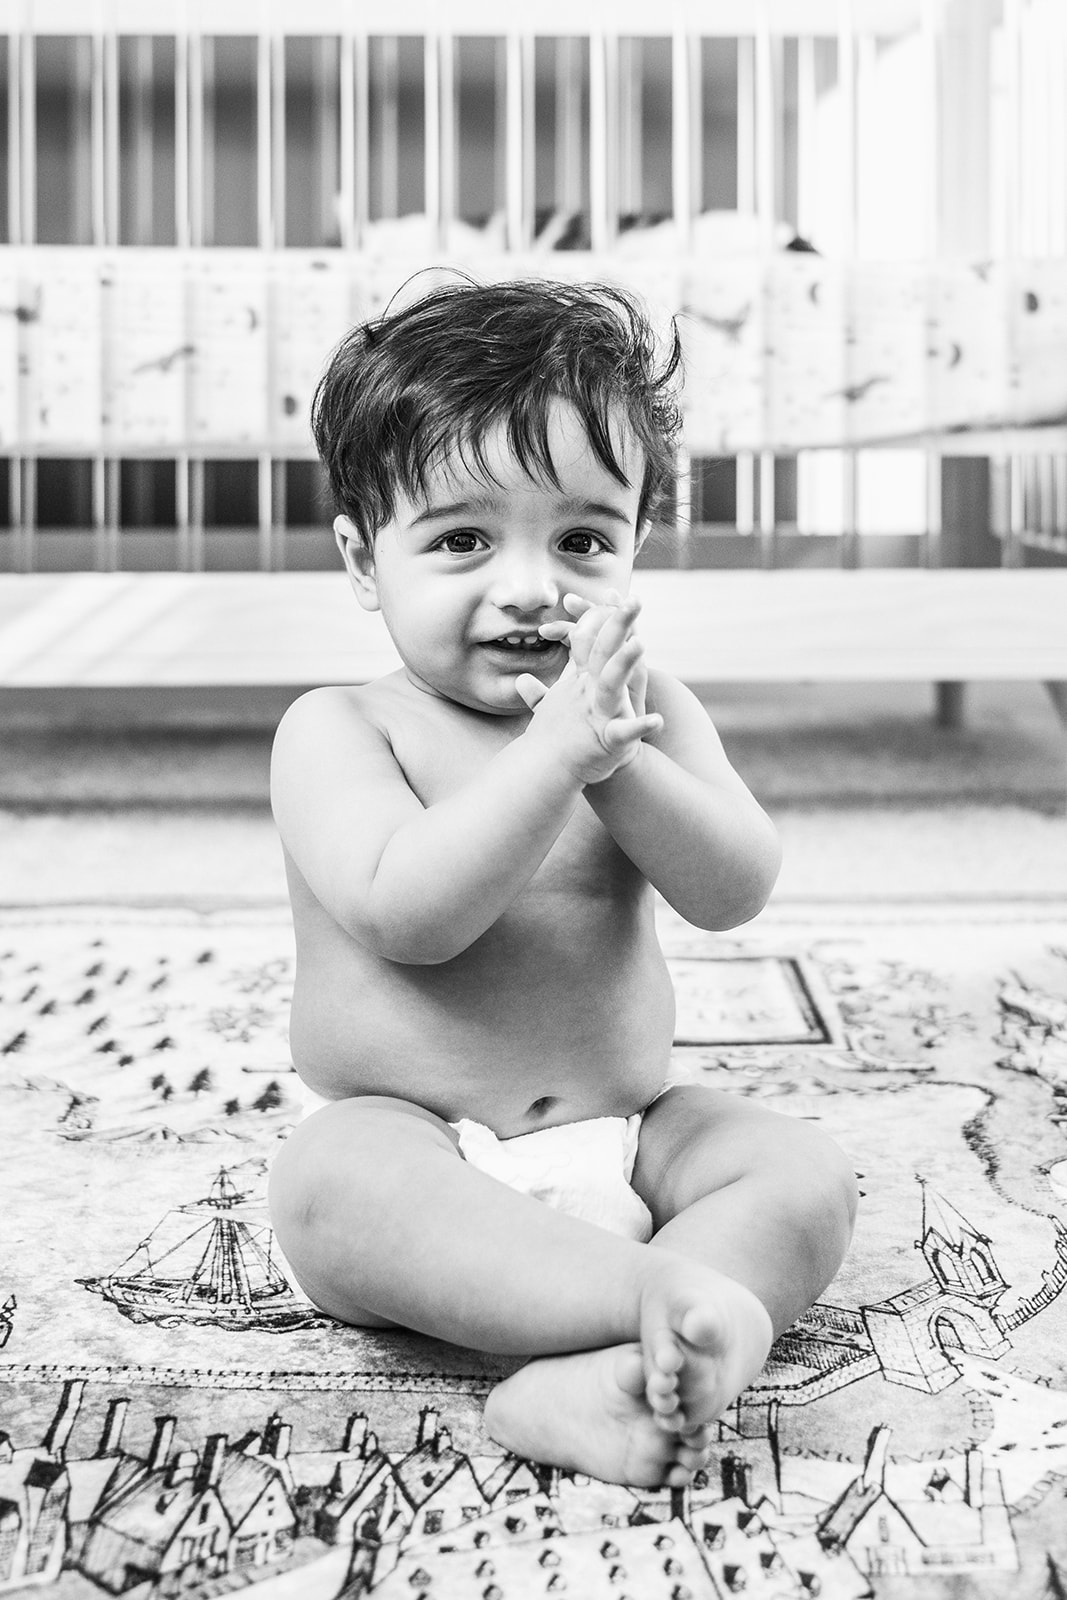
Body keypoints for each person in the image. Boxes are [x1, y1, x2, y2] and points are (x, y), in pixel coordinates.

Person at [268, 278, 857, 1489]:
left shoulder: (642, 714)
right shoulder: (338, 729)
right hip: (417, 1137)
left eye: (582, 539)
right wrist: (552, 758)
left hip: (628, 1134)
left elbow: (733, 885)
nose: (533, 586)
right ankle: (670, 1303)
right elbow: (407, 914)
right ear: (363, 563)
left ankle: (592, 1371)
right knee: (331, 1192)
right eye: (462, 540)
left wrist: (616, 763)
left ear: (637, 547)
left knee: (802, 1177)